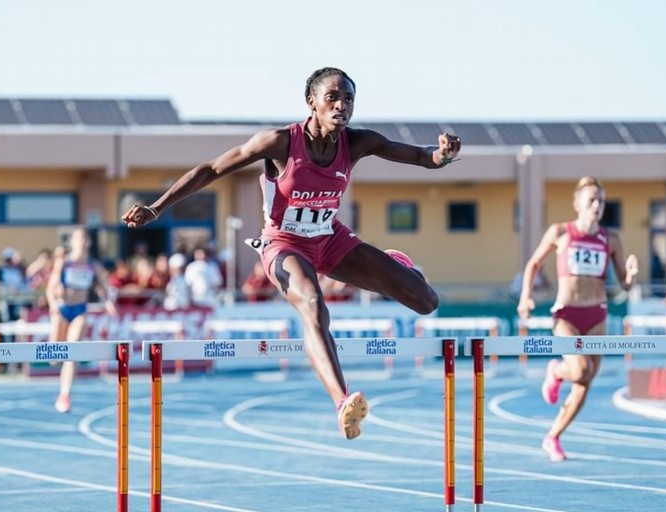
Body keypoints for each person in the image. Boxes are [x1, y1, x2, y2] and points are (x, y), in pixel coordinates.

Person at [122, 66, 460, 440]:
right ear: (311, 102)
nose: (341, 106)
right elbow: (212, 169)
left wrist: (441, 156)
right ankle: (342, 402)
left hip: (331, 240)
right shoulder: (280, 142)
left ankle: (398, 265)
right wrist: (157, 207)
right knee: (313, 304)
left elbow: (417, 155)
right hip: (284, 245)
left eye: (348, 99)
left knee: (427, 301)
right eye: (332, 97)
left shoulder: (358, 142)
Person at [517, 176, 638, 461]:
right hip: (567, 314)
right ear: (577, 203)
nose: (597, 205)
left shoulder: (611, 239)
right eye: (592, 200)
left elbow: (625, 285)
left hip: (596, 314)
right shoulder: (561, 232)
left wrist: (631, 274)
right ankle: (557, 371)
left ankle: (553, 436)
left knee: (585, 384)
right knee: (580, 369)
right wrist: (526, 296)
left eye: (601, 201)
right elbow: (534, 263)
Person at [46, 227, 116, 413]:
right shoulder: (64, 262)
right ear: (72, 241)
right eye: (79, 238)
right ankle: (61, 382)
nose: (82, 241)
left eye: (85, 238)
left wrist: (107, 302)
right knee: (54, 357)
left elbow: (102, 287)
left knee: (72, 350)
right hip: (62, 310)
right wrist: (53, 303)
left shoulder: (93, 265)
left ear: (89, 242)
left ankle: (64, 395)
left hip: (80, 310)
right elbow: (51, 287)